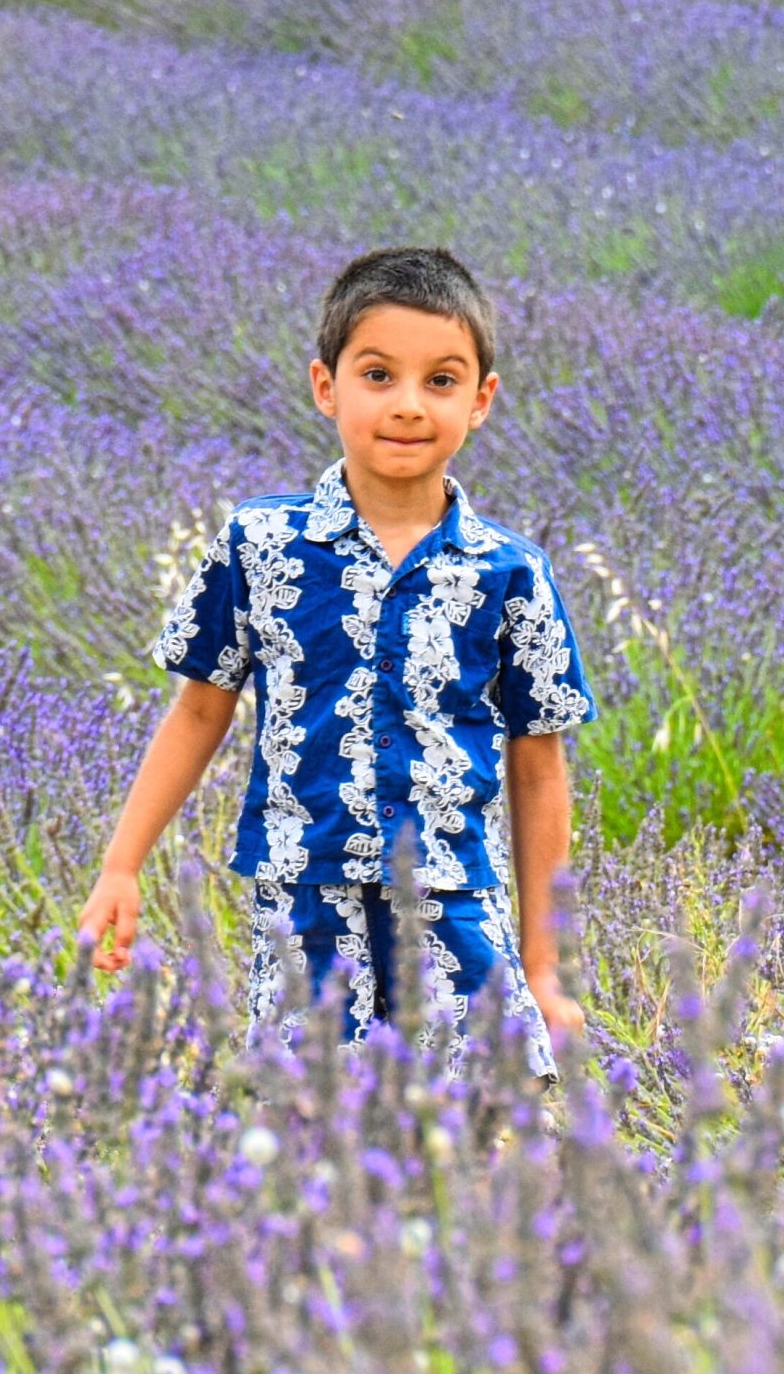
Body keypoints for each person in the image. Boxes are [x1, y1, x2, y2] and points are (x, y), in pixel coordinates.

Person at [75, 246, 598, 1084]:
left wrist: (543, 968)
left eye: (441, 381)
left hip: (452, 897)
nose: (408, 405)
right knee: (317, 1145)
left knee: (485, 1133)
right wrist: (121, 864)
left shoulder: (509, 573)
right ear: (327, 386)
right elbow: (199, 711)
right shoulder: (261, 545)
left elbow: (539, 770)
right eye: (379, 374)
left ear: (482, 401)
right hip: (304, 901)